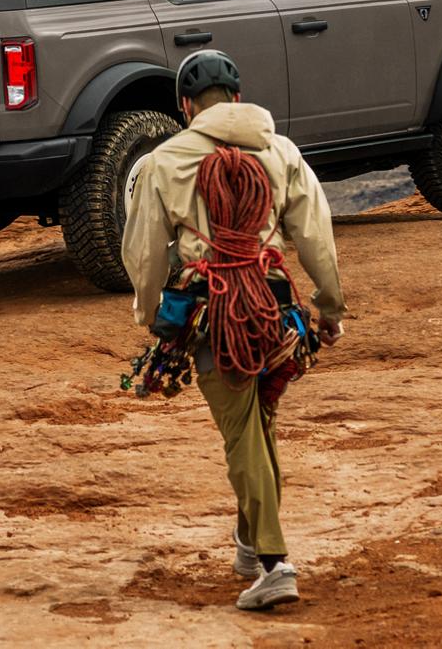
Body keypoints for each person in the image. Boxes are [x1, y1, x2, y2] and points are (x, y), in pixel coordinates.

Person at [121, 49, 346, 611]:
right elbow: (316, 236)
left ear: (185, 105)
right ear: (238, 98)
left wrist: (151, 316)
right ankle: (249, 543)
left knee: (243, 433)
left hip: (213, 312)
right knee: (259, 425)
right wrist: (330, 309)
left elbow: (144, 251)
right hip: (274, 311)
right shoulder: (282, 151)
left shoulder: (164, 161)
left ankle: (275, 564)